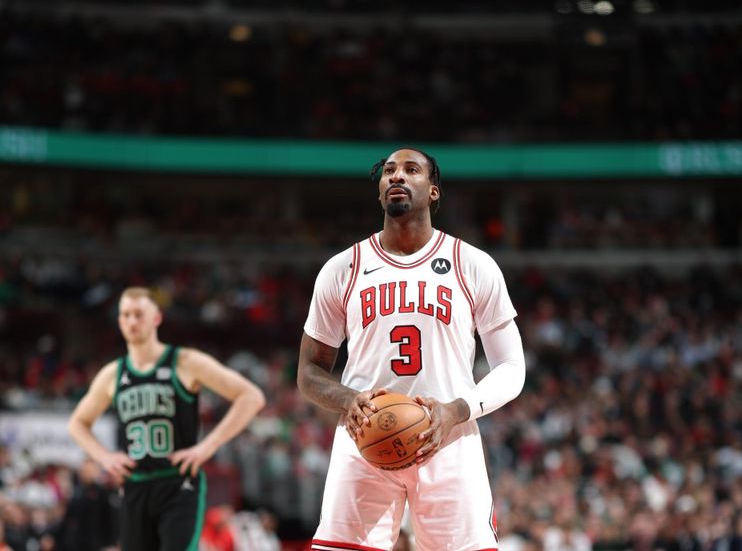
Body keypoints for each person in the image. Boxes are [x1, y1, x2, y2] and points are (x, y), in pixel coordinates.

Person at [298, 148, 525, 551]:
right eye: (389, 171)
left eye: (410, 169)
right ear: (380, 191)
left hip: (448, 438)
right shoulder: (342, 268)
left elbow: (512, 367)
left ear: (433, 191)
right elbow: (309, 372)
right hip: (364, 439)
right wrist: (347, 399)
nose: (397, 176)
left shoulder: (472, 264)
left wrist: (457, 410)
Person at [68, 287, 266, 551]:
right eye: (125, 315)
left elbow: (251, 397)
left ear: (156, 318)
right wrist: (104, 457)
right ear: (119, 321)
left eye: (139, 314)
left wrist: (206, 447)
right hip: (135, 485)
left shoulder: (184, 361)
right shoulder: (112, 374)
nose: (132, 321)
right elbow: (77, 423)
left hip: (178, 483)